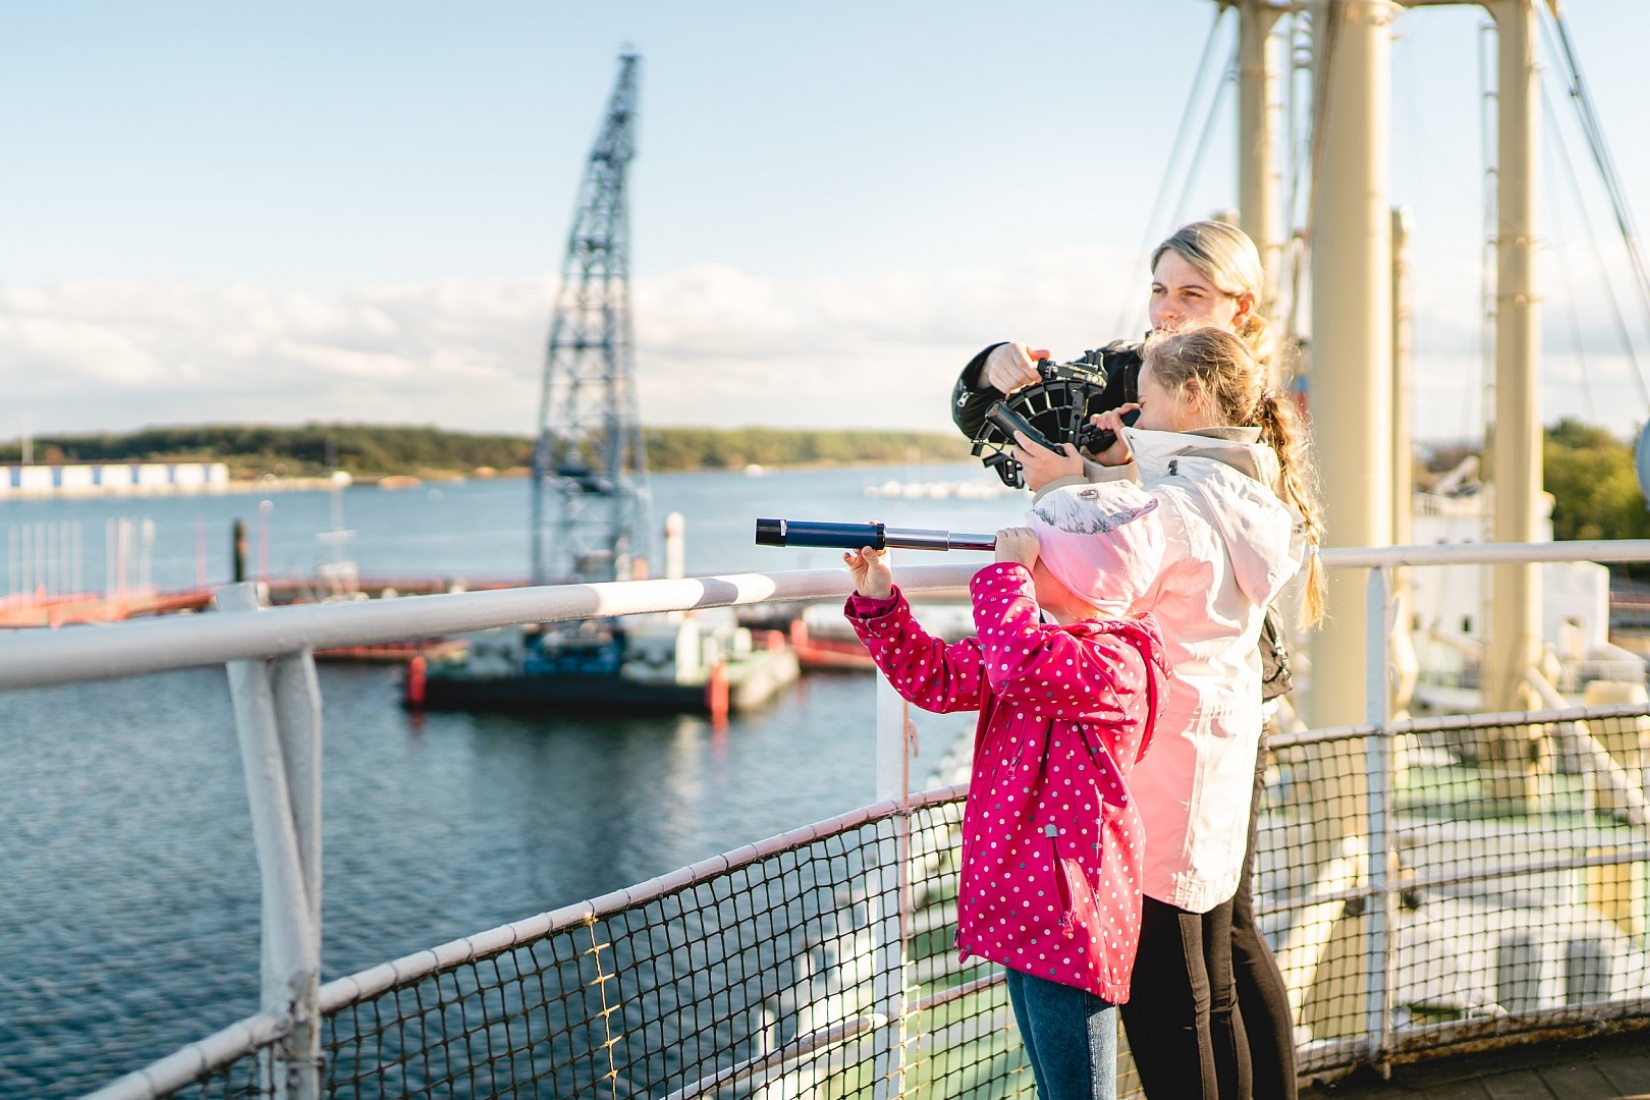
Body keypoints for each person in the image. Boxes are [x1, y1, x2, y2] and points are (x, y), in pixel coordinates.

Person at [952, 220, 1307, 1100]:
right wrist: (995, 362)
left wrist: (1067, 501)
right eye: (1159, 288)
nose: (1165, 308)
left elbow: (1120, 558)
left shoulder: (1180, 405)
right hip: (1206, 692)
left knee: (1195, 955)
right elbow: (989, 418)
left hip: (1168, 695)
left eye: (1190, 294)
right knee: (1216, 942)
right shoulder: (1180, 399)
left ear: (1239, 310)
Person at [1032, 326, 1324, 1100]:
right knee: (1211, 994)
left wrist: (1061, 493)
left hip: (1163, 778)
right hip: (1216, 765)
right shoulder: (1244, 496)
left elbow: (1090, 586)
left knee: (1167, 1008)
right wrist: (1112, 476)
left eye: (1151, 398)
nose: (1137, 413)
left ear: (1192, 397)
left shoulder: (1179, 505)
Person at [842, 481, 1171, 1100]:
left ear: (1074, 569)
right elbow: (935, 679)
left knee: (1078, 1092)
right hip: (1024, 906)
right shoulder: (1042, 651)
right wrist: (881, 600)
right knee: (1055, 1087)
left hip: (1070, 915)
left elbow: (1018, 663)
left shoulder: (1116, 663)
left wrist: (1006, 577)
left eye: (1037, 554)